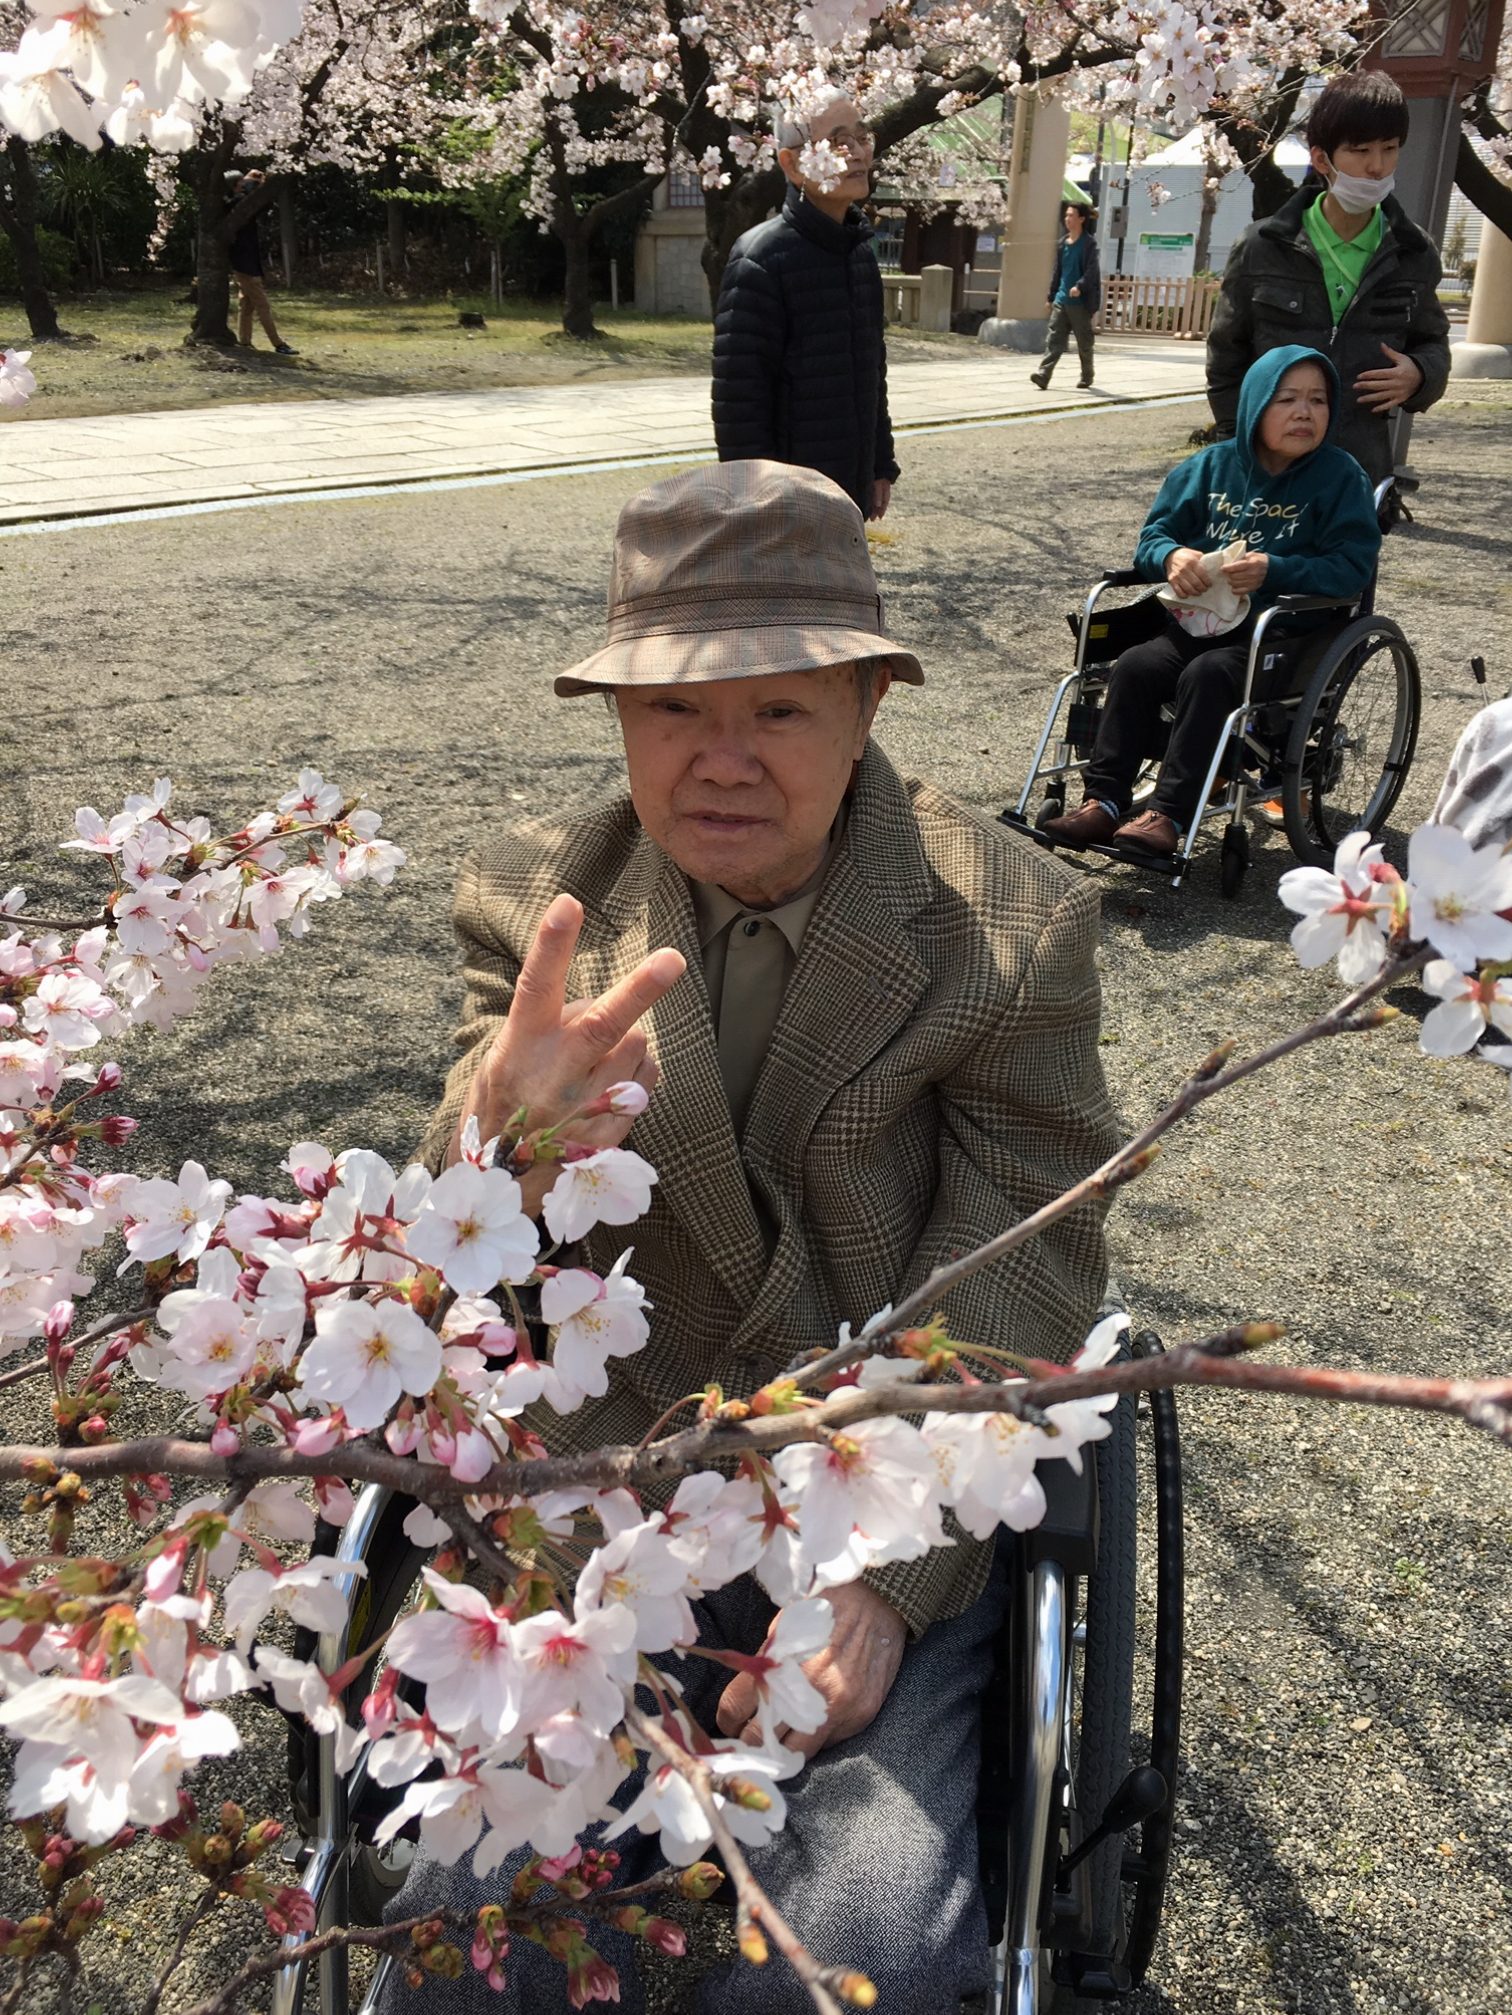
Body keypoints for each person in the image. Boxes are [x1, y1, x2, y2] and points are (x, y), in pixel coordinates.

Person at [383, 458, 1121, 2014]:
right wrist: (496, 1131)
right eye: (672, 709)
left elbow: (1025, 1247)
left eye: (778, 708)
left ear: (867, 701)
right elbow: (443, 1234)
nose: (721, 759)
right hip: (598, 1473)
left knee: (869, 1952)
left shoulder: (1007, 922)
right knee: (464, 1919)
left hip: (869, 1479)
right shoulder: (536, 896)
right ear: (617, 716)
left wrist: (889, 1582)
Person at [1040, 345, 1382, 862]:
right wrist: (1171, 556)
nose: (1304, 412)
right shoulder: (1208, 468)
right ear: (1255, 405)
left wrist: (1275, 569)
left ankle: (1168, 815)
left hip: (1282, 636)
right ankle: (1103, 802)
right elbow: (1153, 539)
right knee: (1134, 665)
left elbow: (1353, 566)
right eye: (1287, 399)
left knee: (1210, 674)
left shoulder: (1340, 477)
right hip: (1197, 621)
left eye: (1318, 400)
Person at [1207, 69, 1449, 488]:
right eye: (1361, 150)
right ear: (1322, 159)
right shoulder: (1261, 246)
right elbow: (1226, 360)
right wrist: (1236, 449)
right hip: (1268, 471)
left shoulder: (1414, 251)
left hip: (1360, 473)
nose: (1377, 166)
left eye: (1390, 148)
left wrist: (1421, 374)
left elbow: (1434, 342)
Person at [711, 91, 899, 519]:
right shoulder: (760, 258)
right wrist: (756, 502)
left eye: (861, 137)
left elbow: (873, 371)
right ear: (793, 165)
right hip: (786, 500)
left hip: (849, 489)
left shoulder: (859, 254)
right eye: (838, 141)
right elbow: (740, 404)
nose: (858, 153)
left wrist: (879, 464)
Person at [1031, 201, 1102, 391]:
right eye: (1066, 215)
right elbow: (1058, 271)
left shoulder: (1089, 244)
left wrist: (1080, 286)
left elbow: (1092, 271)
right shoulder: (1063, 243)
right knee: (1054, 339)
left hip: (1080, 302)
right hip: (1062, 300)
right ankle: (1043, 375)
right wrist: (1051, 296)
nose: (1067, 219)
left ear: (1081, 219)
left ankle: (1087, 375)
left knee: (1084, 342)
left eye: (1071, 215)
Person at [226, 168, 296, 356]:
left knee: (246, 304)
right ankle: (277, 343)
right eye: (242, 183)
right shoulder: (238, 205)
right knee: (262, 305)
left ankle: (244, 340)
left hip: (245, 261)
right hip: (246, 263)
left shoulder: (235, 204)